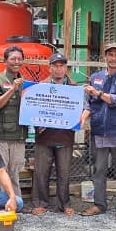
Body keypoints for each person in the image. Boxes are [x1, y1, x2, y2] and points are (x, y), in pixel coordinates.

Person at [81, 41, 116, 222]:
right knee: (99, 171)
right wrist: (84, 115)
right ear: (105, 57)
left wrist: (98, 94)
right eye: (110, 54)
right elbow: (89, 102)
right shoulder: (95, 77)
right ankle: (99, 204)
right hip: (100, 131)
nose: (113, 58)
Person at [30, 52, 87, 215]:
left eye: (62, 65)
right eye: (55, 65)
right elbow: (32, 109)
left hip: (65, 136)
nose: (58, 68)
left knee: (64, 172)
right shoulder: (40, 87)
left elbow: (85, 107)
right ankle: (40, 202)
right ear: (50, 68)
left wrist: (82, 118)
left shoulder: (75, 88)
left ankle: (64, 203)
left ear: (66, 68)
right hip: (44, 136)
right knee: (41, 171)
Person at [0, 45, 28, 186]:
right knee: (0, 173)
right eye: (13, 59)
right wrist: (12, 89)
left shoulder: (26, 83)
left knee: (15, 173)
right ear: (5, 61)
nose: (16, 61)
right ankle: (1, 205)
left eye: (19, 59)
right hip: (1, 137)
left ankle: (15, 204)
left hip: (19, 136)